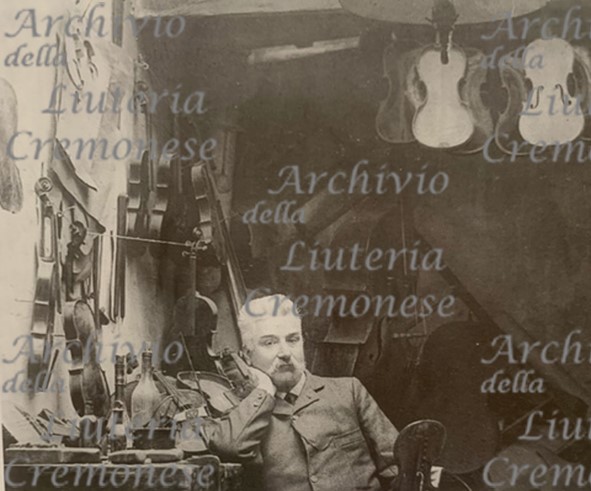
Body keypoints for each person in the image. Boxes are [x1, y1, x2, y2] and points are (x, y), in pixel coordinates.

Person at [202, 294, 399, 491]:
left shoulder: (349, 392)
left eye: (293, 340)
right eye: (269, 343)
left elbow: (399, 466)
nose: (285, 353)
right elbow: (230, 448)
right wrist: (264, 390)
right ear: (247, 355)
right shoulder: (240, 411)